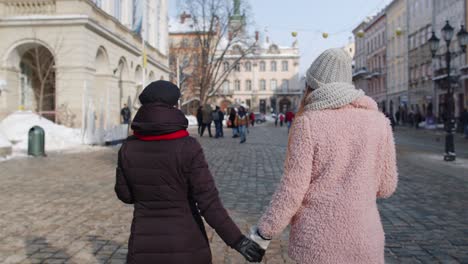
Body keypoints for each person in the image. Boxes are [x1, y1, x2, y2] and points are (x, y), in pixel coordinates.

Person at [248, 49, 398, 264]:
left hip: (318, 242)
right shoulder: (380, 123)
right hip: (366, 238)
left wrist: (264, 233)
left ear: (313, 85)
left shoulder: (308, 123)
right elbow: (387, 186)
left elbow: (292, 190)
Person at [115, 80, 264, 264]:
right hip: (186, 244)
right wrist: (238, 241)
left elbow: (125, 195)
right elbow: (208, 203)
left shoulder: (128, 147)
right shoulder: (188, 147)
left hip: (143, 246)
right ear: (174, 106)